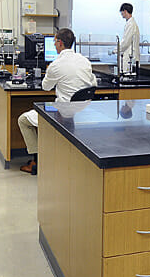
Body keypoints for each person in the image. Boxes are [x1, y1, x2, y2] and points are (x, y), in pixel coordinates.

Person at [18, 28, 97, 175]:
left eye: (55, 42)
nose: (54, 45)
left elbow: (45, 87)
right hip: (84, 112)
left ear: (60, 43)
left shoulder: (56, 64)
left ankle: (36, 161)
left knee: (23, 120)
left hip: (63, 114)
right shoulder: (85, 61)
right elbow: (93, 85)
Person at [118, 3, 140, 74]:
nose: (121, 13)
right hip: (130, 55)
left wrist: (116, 50)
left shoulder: (131, 24)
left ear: (124, 11)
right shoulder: (131, 23)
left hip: (130, 56)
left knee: (128, 77)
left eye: (121, 11)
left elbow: (126, 42)